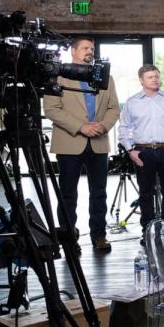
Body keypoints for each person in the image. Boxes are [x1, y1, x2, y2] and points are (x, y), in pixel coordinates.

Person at [44, 36, 120, 253]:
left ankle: (99, 236)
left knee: (100, 193)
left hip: (99, 143)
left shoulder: (106, 77)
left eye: (92, 48)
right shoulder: (58, 76)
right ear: (73, 51)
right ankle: (68, 239)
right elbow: (51, 109)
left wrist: (103, 126)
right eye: (85, 48)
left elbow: (114, 108)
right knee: (68, 193)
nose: (90, 51)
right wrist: (81, 127)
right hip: (70, 142)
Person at [117, 64, 164, 243]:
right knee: (145, 193)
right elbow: (124, 128)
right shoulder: (132, 102)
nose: (155, 79)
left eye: (156, 76)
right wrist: (130, 150)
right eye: (150, 77)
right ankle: (147, 230)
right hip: (142, 152)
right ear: (141, 80)